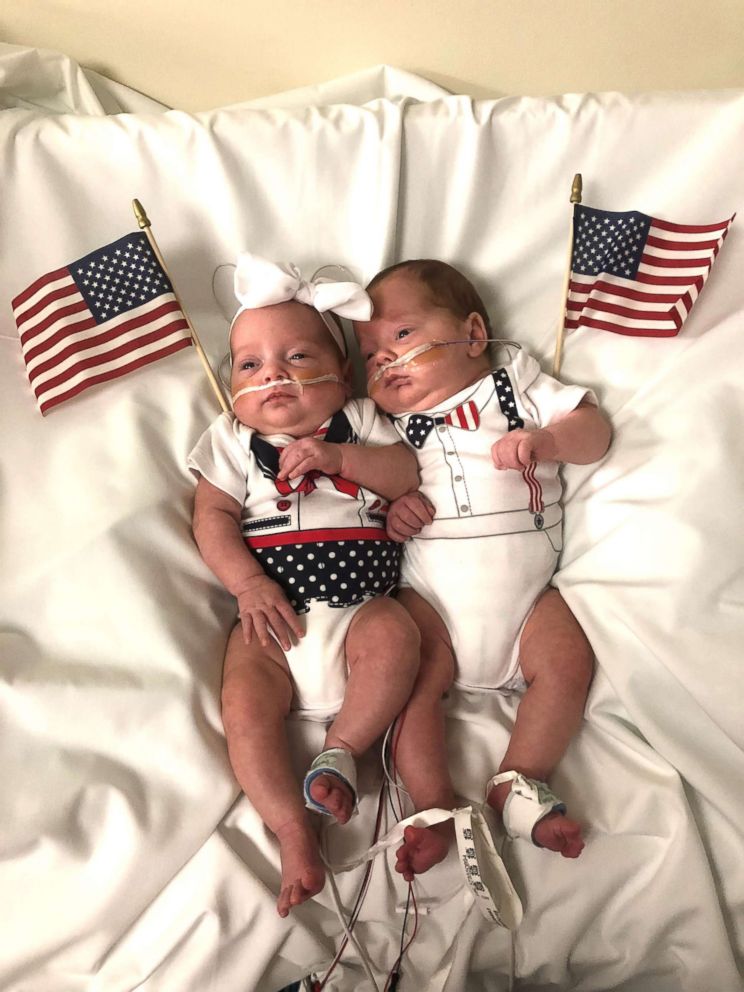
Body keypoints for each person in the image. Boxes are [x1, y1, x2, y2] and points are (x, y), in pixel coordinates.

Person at [353, 259, 612, 877]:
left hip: (528, 601)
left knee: (568, 660)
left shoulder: (516, 386)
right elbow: (376, 487)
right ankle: (432, 801)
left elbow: (594, 432)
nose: (385, 360)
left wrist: (548, 442)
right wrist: (396, 510)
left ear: (473, 336)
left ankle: (520, 778)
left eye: (403, 336)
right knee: (409, 682)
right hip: (434, 600)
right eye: (369, 355)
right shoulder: (386, 426)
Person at [189, 254, 428, 918]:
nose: (275, 374)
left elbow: (404, 472)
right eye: (250, 365)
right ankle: (293, 832)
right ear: (231, 385)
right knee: (244, 707)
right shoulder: (234, 440)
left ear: (342, 370)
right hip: (274, 617)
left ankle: (341, 753)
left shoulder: (360, 420)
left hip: (360, 609)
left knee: (396, 635)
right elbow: (210, 518)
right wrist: (244, 585)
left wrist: (343, 460)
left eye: (297, 356)